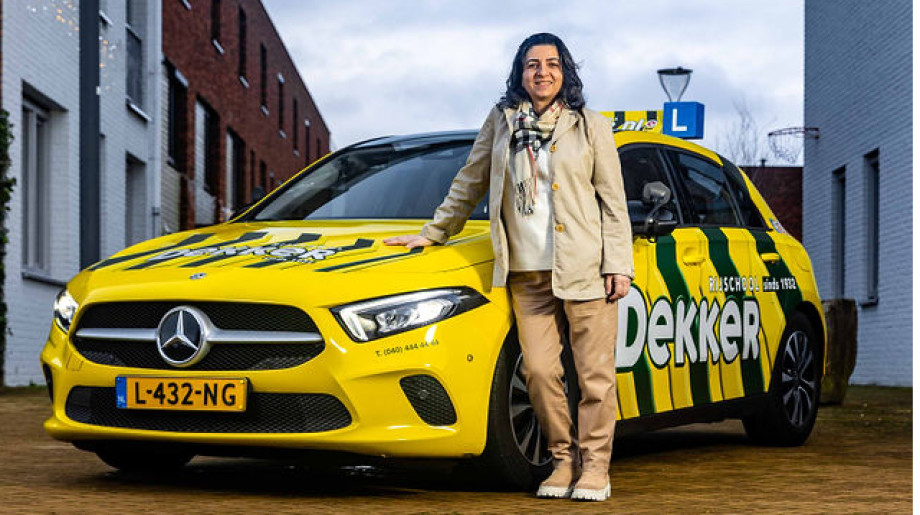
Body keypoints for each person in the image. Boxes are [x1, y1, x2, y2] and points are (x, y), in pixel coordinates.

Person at [384, 32, 633, 502]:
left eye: (552, 64)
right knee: (538, 373)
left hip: (585, 269)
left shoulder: (589, 125)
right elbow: (471, 179)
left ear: (566, 72)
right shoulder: (501, 122)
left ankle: (596, 467)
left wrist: (618, 264)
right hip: (526, 273)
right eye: (532, 64)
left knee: (595, 377)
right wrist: (435, 232)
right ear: (520, 72)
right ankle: (563, 461)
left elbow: (612, 201)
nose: (542, 72)